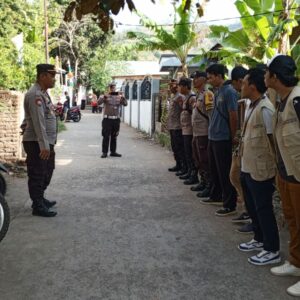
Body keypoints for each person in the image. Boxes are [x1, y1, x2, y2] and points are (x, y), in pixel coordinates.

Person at [264, 55, 300, 297]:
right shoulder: (278, 99)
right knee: (292, 220)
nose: (264, 76)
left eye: (267, 73)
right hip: (286, 171)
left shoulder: (297, 100)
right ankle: (296, 263)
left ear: (275, 77)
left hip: (298, 174)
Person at [237, 68, 280, 266]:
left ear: (252, 86)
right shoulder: (251, 106)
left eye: (244, 83)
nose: (241, 86)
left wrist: (277, 170)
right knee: (253, 206)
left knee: (263, 208)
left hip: (262, 169)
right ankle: (259, 238)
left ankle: (271, 249)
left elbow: (274, 142)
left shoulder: (266, 109)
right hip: (248, 165)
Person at [22, 64, 58, 217]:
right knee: (38, 173)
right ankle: (37, 205)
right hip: (37, 143)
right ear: (43, 76)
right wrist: (43, 145)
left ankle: (40, 198)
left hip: (44, 141)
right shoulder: (35, 94)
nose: (54, 79)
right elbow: (38, 121)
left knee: (47, 170)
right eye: (51, 76)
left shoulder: (43, 93)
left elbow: (31, 117)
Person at [203, 64, 239, 216]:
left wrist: (232, 136)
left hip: (223, 137)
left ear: (218, 76)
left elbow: (233, 115)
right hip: (214, 136)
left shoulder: (229, 92)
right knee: (216, 170)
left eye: (211, 77)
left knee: (225, 172)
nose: (209, 80)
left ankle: (229, 204)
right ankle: (217, 196)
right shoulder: (217, 92)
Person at [230, 66, 253, 234]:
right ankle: (247, 210)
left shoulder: (263, 105)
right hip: (243, 147)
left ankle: (252, 217)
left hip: (254, 153)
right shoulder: (245, 101)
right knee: (234, 175)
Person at [190, 71, 213, 195]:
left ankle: (209, 185)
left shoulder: (207, 94)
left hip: (204, 133)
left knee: (205, 160)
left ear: (203, 79)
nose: (194, 80)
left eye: (197, 78)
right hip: (197, 133)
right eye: (193, 78)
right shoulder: (198, 95)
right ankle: (203, 182)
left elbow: (210, 115)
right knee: (198, 158)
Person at [178, 77, 199, 185]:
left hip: (190, 130)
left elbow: (194, 115)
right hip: (185, 129)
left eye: (180, 86)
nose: (179, 88)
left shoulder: (192, 98)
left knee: (191, 153)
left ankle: (193, 175)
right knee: (187, 152)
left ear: (186, 86)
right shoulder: (186, 97)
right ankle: (189, 171)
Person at [99, 83, 127, 158]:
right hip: (107, 119)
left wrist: (123, 97)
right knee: (106, 136)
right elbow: (99, 102)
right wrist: (104, 96)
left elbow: (125, 104)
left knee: (114, 136)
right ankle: (104, 152)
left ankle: (113, 152)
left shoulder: (119, 97)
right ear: (108, 88)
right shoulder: (105, 96)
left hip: (116, 120)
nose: (112, 89)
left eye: (114, 88)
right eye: (111, 88)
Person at [167, 79, 185, 173]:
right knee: (174, 147)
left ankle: (183, 166)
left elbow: (183, 111)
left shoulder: (180, 97)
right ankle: (178, 164)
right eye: (170, 86)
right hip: (172, 126)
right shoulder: (173, 97)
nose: (171, 88)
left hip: (178, 126)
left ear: (177, 86)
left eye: (173, 86)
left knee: (179, 147)